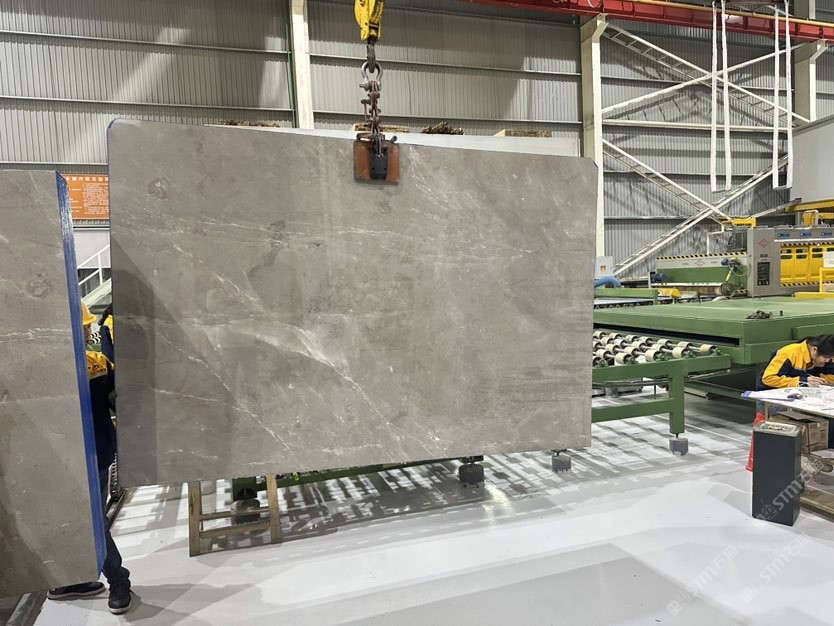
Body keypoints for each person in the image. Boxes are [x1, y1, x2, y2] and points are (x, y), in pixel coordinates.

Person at [47, 302, 131, 615]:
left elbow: (119, 400)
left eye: (87, 326)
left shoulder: (97, 365)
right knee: (72, 518)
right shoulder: (49, 373)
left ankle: (118, 578)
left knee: (94, 520)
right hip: (61, 459)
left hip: (94, 455)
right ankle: (78, 577)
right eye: (83, 326)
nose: (87, 331)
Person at [757, 334, 834, 390]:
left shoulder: (825, 355)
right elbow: (768, 379)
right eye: (826, 358)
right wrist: (803, 381)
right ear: (815, 350)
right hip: (771, 393)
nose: (827, 361)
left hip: (799, 392)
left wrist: (825, 381)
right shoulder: (789, 353)